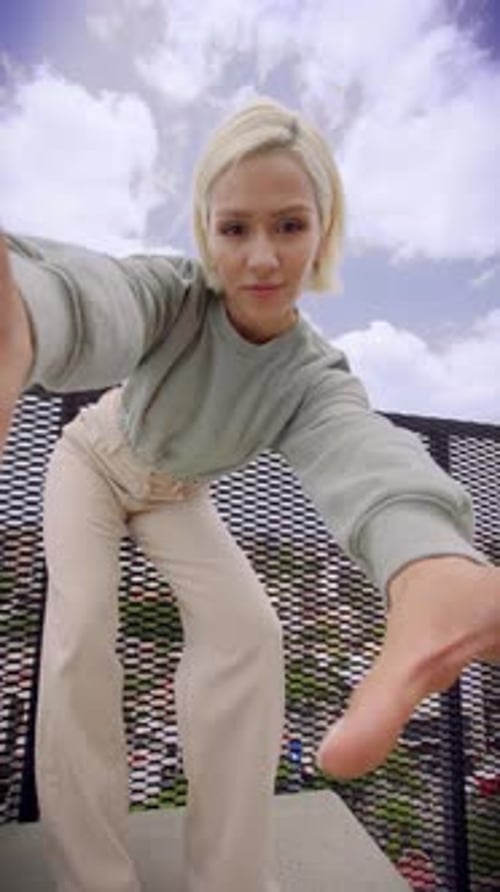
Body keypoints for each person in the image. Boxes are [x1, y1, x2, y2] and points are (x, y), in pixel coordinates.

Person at [1, 97, 499, 892]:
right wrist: (27, 306)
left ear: (322, 233)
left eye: (289, 226)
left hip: (175, 492)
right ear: (207, 233)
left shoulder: (309, 374)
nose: (262, 256)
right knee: (78, 640)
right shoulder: (174, 294)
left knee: (252, 635)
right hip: (92, 462)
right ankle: (94, 878)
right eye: (235, 229)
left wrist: (428, 554)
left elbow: (359, 449)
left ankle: (228, 877)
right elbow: (102, 297)